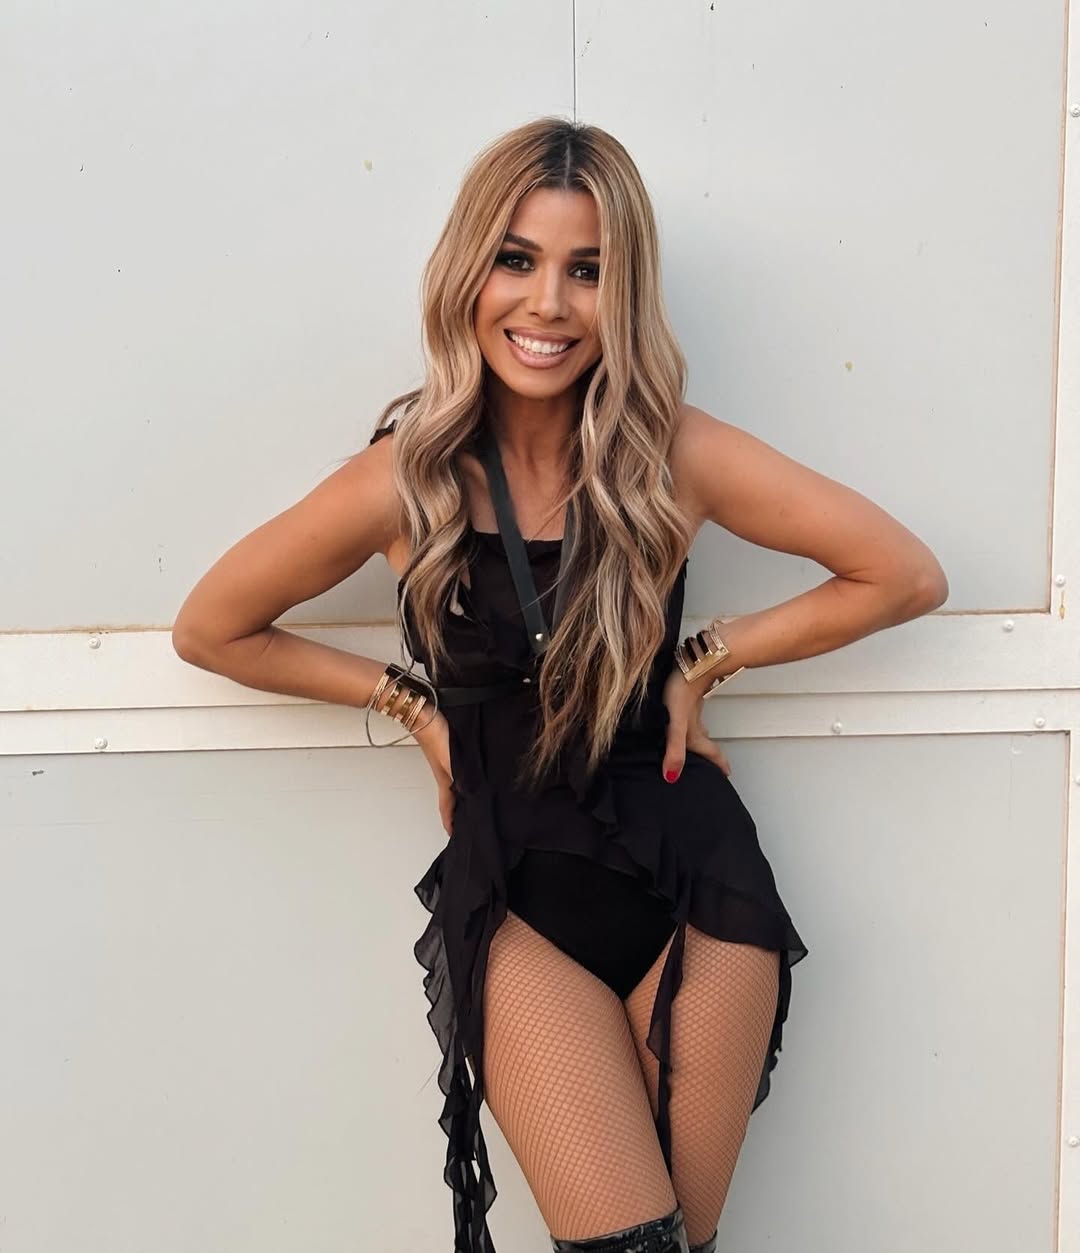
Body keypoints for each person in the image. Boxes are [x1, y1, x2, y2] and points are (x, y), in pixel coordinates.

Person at [172, 116, 948, 1253]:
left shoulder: (673, 454)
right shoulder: (408, 479)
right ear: (469, 272)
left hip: (695, 884)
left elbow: (903, 574)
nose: (548, 303)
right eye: (518, 259)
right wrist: (413, 708)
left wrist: (705, 659)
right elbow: (213, 627)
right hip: (518, 895)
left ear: (622, 291)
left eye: (588, 269)